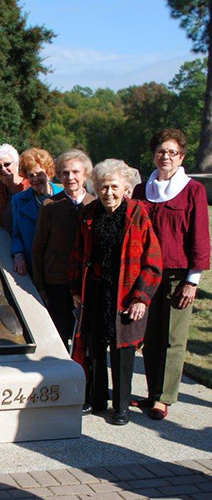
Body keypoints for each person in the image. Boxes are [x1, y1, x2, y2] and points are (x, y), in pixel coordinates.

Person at [69, 160, 162, 425]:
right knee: (95, 346)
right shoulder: (88, 213)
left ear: (125, 188)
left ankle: (121, 407)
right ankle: (97, 400)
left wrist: (141, 297)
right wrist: (76, 289)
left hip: (126, 293)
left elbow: (153, 260)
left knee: (123, 350)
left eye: (114, 187)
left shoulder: (137, 213)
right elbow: (77, 254)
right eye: (103, 187)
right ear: (96, 189)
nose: (108, 193)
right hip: (96, 289)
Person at [132, 129, 211, 420]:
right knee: (150, 337)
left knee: (172, 338)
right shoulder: (142, 190)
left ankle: (164, 397)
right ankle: (152, 393)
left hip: (178, 275)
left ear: (182, 157)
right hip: (146, 275)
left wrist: (193, 280)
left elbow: (200, 238)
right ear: (154, 154)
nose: (166, 157)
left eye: (172, 152)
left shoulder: (193, 190)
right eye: (161, 151)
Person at [32, 150, 95, 347]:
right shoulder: (50, 206)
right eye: (65, 173)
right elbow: (38, 247)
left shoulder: (95, 205)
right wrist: (40, 286)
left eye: (76, 172)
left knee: (84, 338)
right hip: (57, 280)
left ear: (85, 174)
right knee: (58, 337)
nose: (70, 178)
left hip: (86, 282)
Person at [10, 148, 63, 276]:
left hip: (59, 269)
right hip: (32, 267)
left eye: (39, 174)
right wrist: (18, 256)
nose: (35, 179)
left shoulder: (63, 198)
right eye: (31, 175)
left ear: (49, 173)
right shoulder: (18, 201)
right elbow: (16, 234)